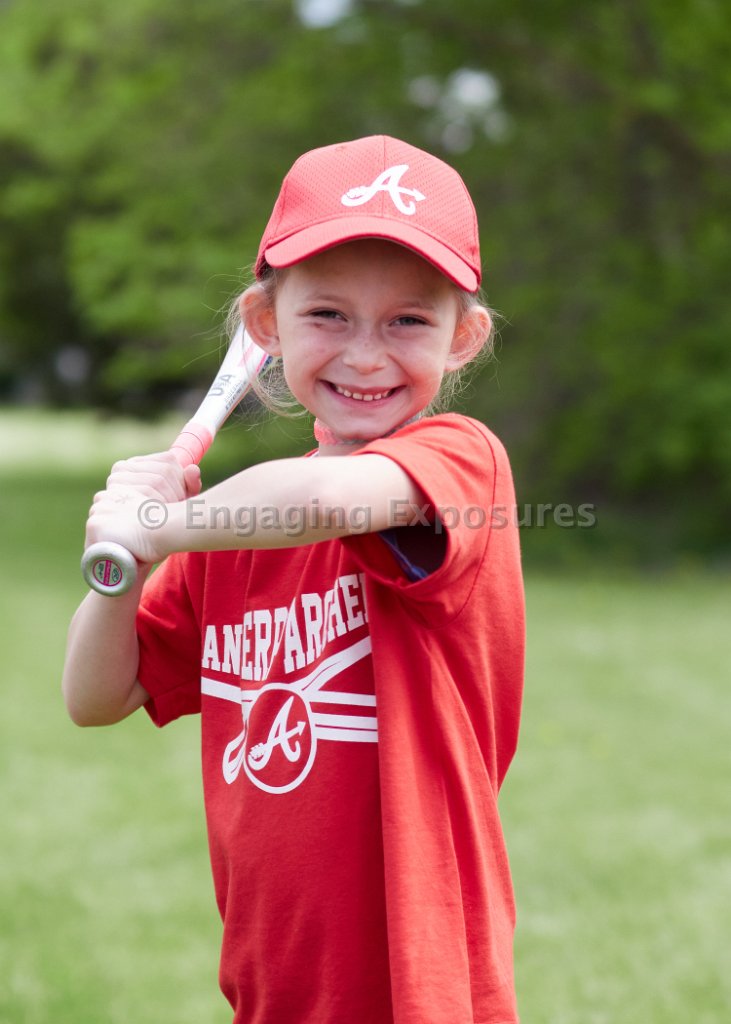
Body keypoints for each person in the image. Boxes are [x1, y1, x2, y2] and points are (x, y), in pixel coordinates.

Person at [62, 135, 525, 1024]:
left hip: (419, 987)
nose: (365, 355)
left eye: (407, 321)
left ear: (462, 338)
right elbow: (95, 696)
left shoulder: (459, 463)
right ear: (265, 325)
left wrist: (161, 524)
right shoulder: (230, 534)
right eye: (328, 315)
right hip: (273, 983)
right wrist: (126, 570)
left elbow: (323, 499)